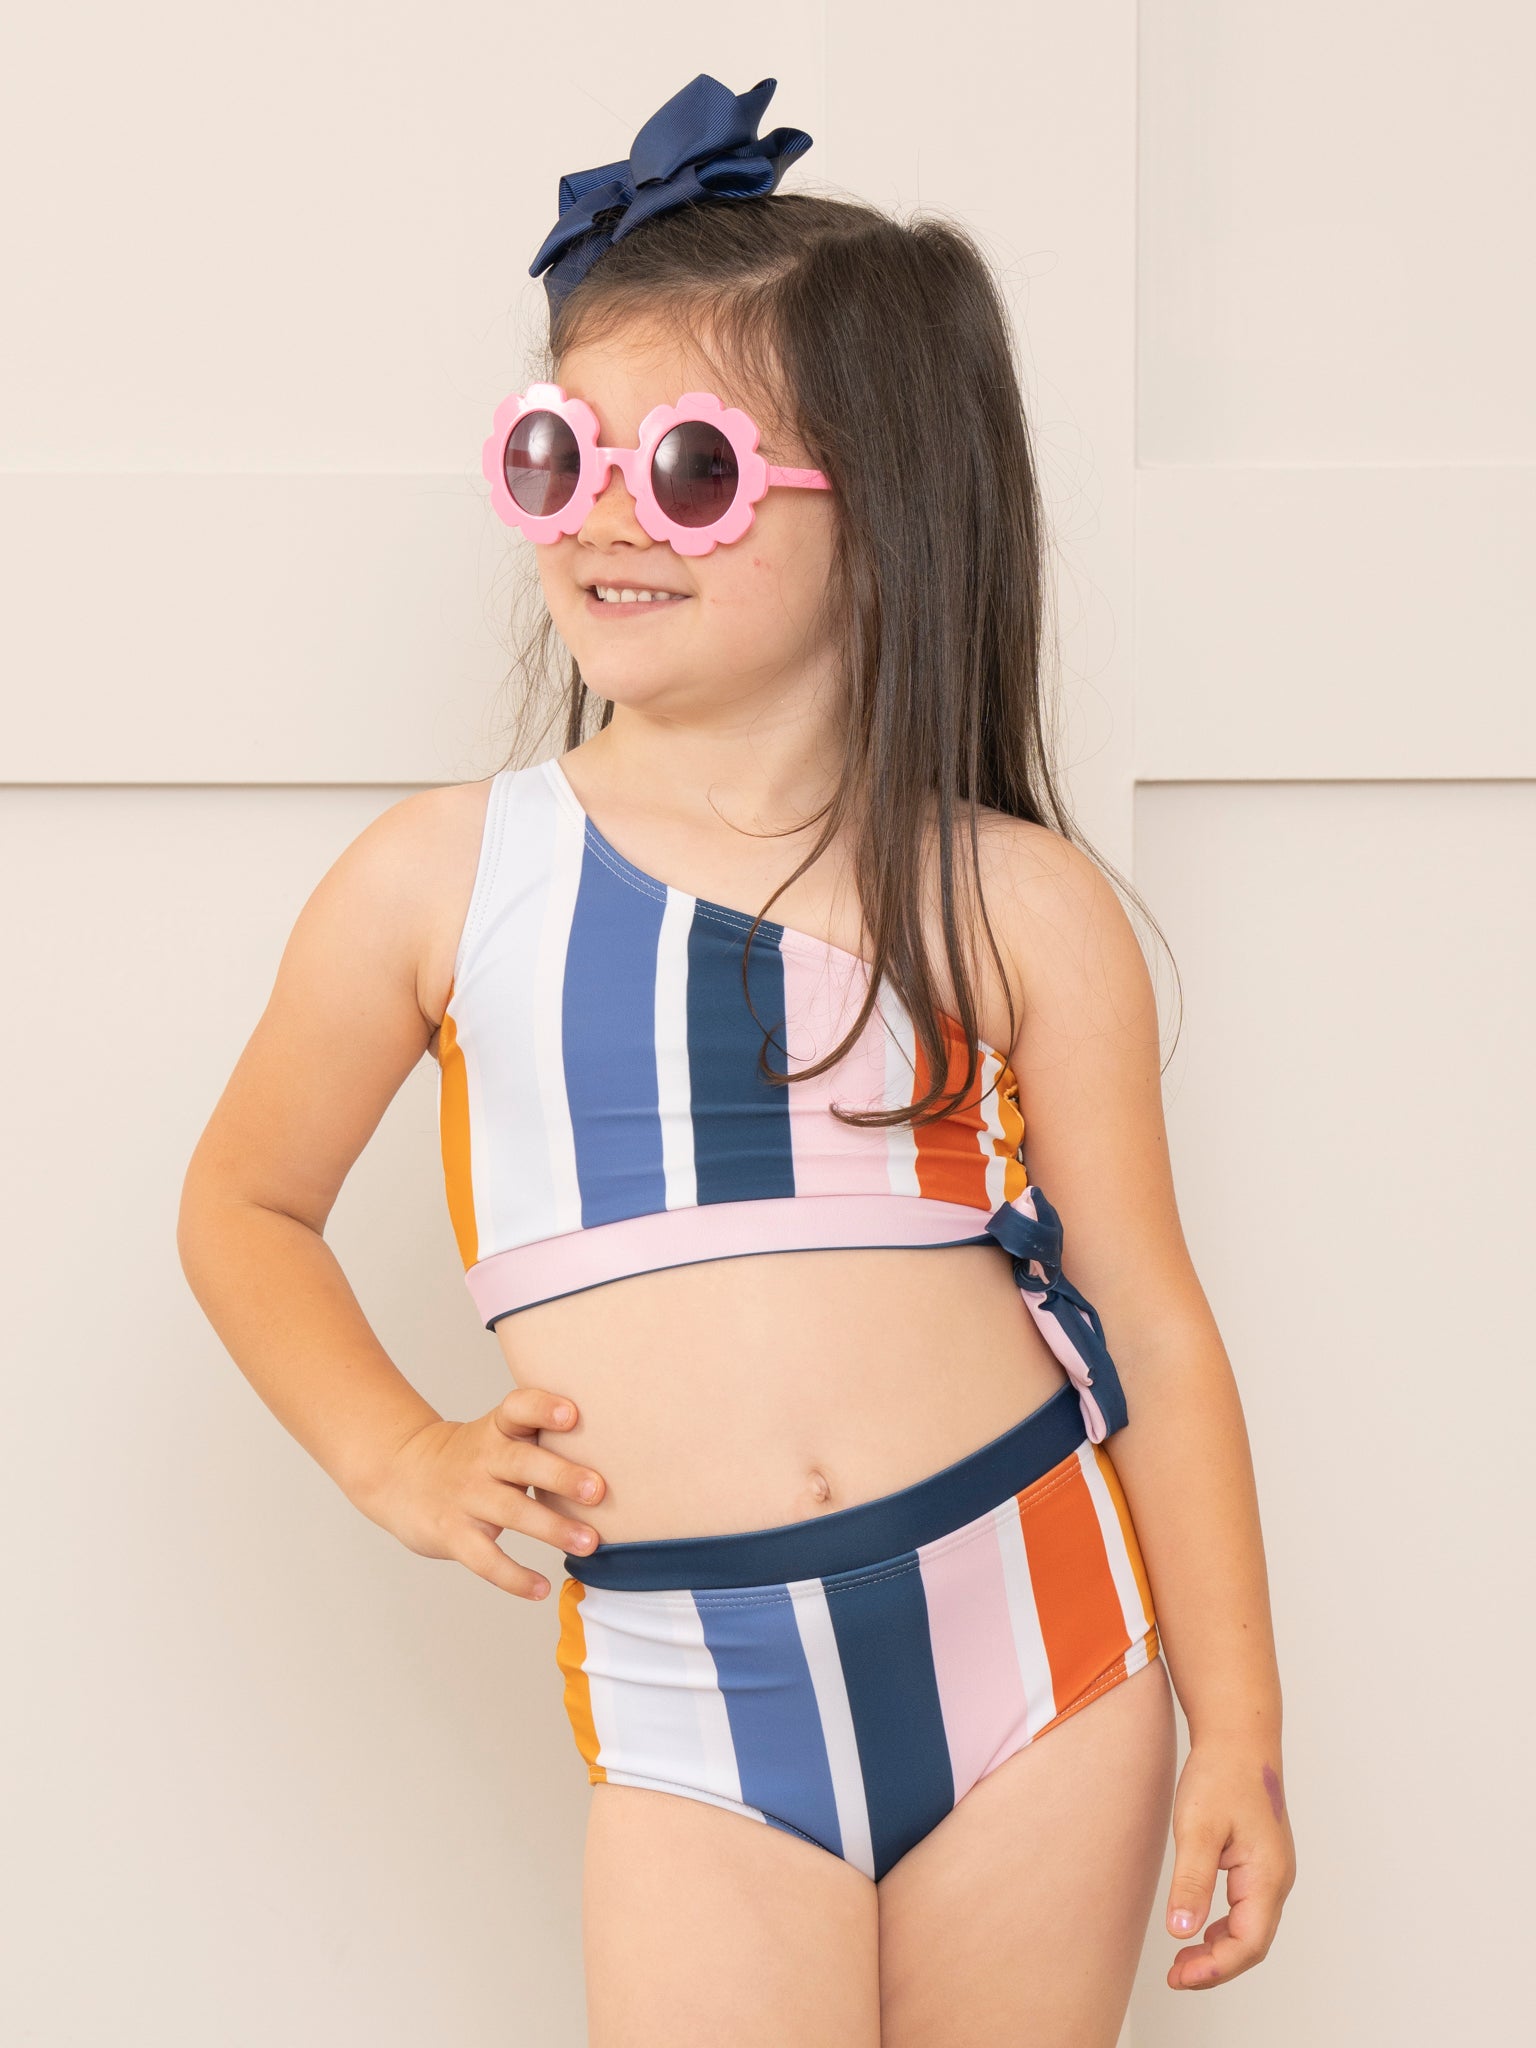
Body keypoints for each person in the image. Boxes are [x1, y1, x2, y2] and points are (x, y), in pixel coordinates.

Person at [178, 70, 1296, 2048]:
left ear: (889, 508)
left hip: (1039, 1638)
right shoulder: (444, 881)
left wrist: (1243, 1726)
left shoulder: (1016, 903)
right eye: (560, 454)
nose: (608, 514)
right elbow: (244, 1204)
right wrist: (398, 1454)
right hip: (696, 1687)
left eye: (690, 468)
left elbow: (1152, 1324)